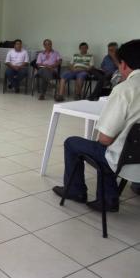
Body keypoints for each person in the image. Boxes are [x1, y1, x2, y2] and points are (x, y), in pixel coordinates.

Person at [52, 39, 140, 212]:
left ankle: (77, 191)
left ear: (123, 64)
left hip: (124, 161)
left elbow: (105, 140)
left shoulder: (125, 89)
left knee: (74, 143)